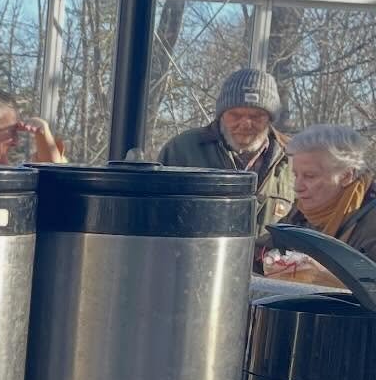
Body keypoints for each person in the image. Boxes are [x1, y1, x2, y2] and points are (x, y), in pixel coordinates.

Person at [157, 67, 293, 238]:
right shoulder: (182, 150)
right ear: (221, 115)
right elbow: (157, 216)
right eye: (235, 115)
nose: (245, 124)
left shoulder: (294, 157)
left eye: (256, 116)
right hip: (195, 254)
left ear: (270, 119)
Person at [262, 124, 376, 283]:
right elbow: (264, 247)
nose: (297, 187)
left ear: (346, 176)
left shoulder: (371, 220)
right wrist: (268, 260)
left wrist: (332, 279)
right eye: (296, 175)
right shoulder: (301, 212)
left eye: (310, 176)